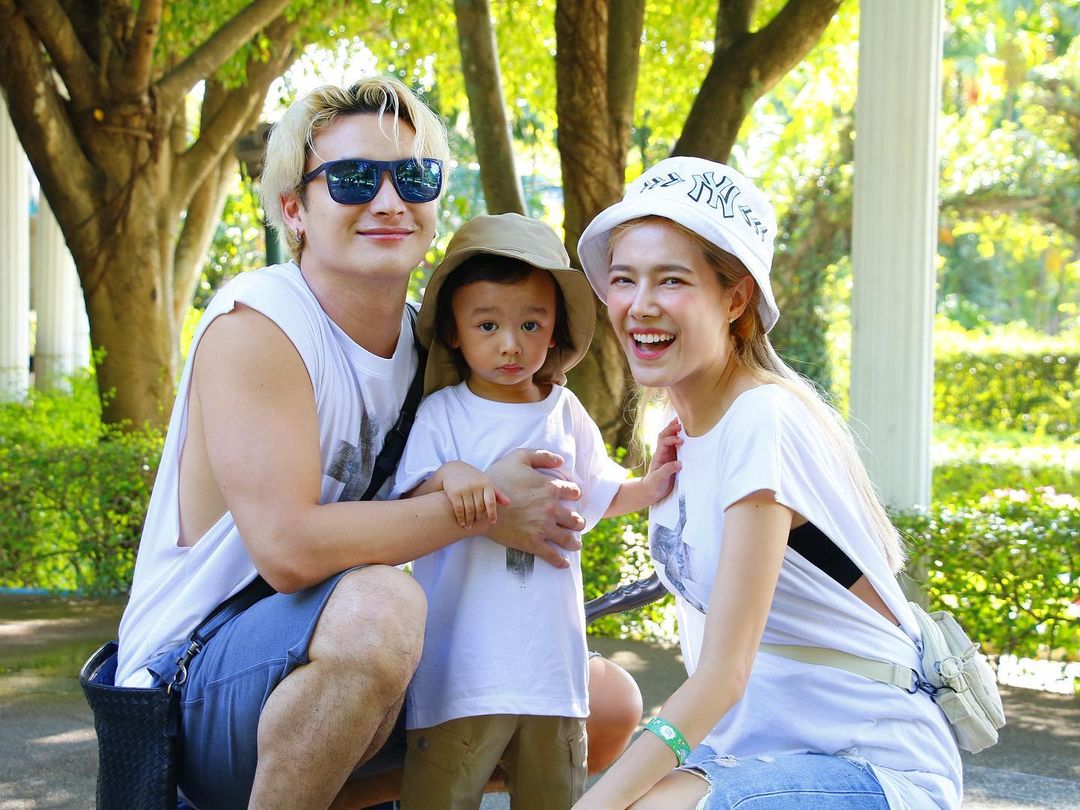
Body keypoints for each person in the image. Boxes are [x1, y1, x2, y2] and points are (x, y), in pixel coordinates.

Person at [111, 77, 635, 810]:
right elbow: (289, 551)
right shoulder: (257, 324)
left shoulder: (437, 347)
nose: (389, 201)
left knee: (597, 700)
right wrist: (486, 509)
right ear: (294, 208)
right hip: (194, 686)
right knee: (383, 608)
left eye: (413, 178)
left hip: (332, 662)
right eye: (354, 179)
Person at [570, 156, 963, 809]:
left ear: (736, 298)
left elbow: (723, 676)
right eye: (623, 279)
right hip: (754, 758)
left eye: (671, 280)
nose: (640, 305)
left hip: (870, 765)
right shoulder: (684, 437)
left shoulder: (763, 420)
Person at [388, 213, 681, 809]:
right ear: (453, 333)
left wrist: (651, 485)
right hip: (462, 670)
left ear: (554, 331)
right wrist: (450, 476)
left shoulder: (564, 411)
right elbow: (407, 507)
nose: (510, 344)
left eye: (530, 324)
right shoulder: (444, 413)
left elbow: (599, 492)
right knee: (441, 792)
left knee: (553, 794)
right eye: (487, 325)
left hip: (552, 671)